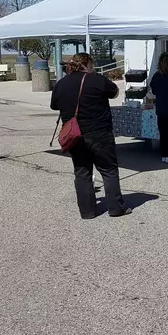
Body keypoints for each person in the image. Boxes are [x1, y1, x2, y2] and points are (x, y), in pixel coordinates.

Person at [50, 52, 131, 219]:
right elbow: (114, 92)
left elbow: (54, 105)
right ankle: (116, 208)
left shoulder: (61, 84)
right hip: (99, 132)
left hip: (74, 135)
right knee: (108, 169)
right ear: (88, 64)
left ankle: (87, 211)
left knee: (82, 171)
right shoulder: (96, 79)